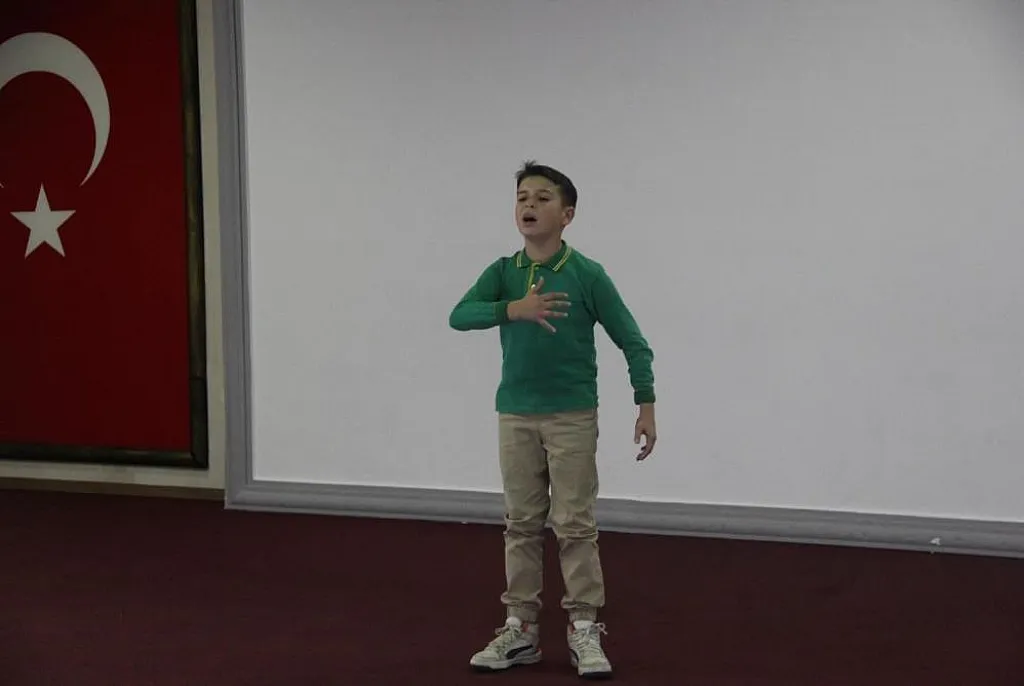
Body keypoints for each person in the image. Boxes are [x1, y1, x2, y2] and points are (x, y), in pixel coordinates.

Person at [448, 160, 657, 679]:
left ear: (567, 214)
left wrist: (645, 403)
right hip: (515, 414)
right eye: (522, 197)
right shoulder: (504, 272)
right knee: (520, 523)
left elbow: (633, 341)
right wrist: (511, 309)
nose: (529, 206)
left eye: (543, 198)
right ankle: (520, 628)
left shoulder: (587, 274)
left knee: (574, 524)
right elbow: (459, 315)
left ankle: (584, 626)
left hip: (571, 416)